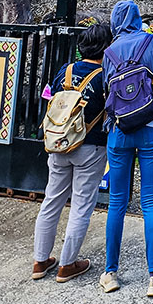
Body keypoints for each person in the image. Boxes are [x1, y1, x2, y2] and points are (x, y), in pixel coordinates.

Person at [100, 0, 153, 298]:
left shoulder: (109, 52)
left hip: (119, 130)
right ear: (137, 18)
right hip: (152, 126)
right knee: (150, 200)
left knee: (117, 201)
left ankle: (110, 273)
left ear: (116, 22)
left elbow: (107, 89)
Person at [32, 22, 113, 283]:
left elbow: (50, 99)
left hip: (58, 145)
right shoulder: (105, 76)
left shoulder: (65, 71)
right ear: (106, 47)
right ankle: (68, 265)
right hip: (90, 147)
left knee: (51, 201)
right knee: (81, 205)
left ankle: (40, 261)